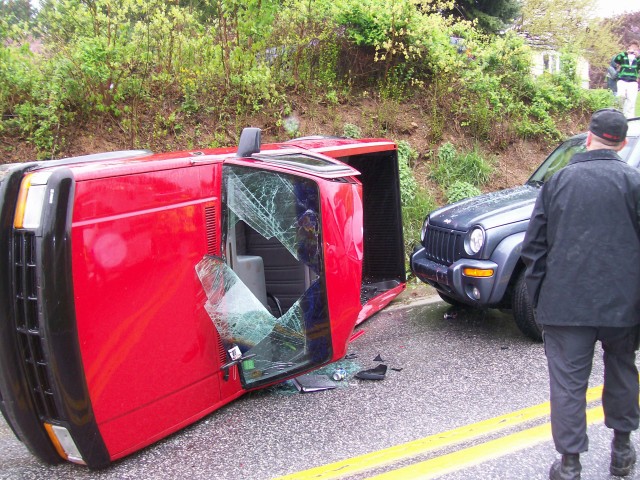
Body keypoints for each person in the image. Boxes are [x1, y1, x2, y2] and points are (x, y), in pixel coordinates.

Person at [522, 108, 640, 480]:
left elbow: (534, 249)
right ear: (621, 143)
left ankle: (570, 464)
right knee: (622, 369)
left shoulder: (558, 182)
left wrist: (539, 299)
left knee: (569, 383)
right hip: (624, 305)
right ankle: (622, 450)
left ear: (588, 137)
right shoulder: (634, 183)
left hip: (564, 303)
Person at [613, 41, 639, 118]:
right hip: (622, 80)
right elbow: (616, 60)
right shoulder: (623, 56)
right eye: (632, 48)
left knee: (631, 101)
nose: (633, 50)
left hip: (633, 82)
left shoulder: (637, 59)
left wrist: (638, 57)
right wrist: (625, 53)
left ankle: (630, 118)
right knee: (620, 97)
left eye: (635, 48)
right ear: (629, 48)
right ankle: (619, 115)